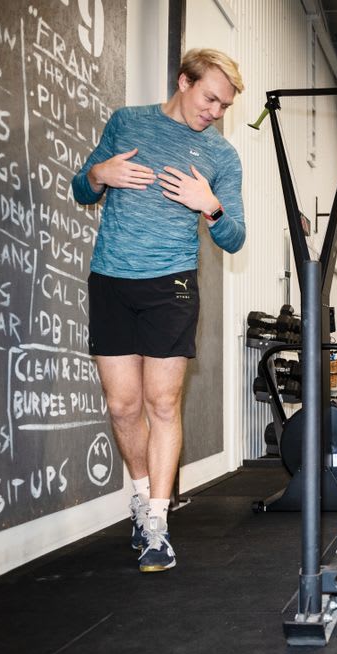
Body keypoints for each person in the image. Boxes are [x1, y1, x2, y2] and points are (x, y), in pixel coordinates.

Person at [72, 49, 246, 572]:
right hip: (111, 281)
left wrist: (209, 205)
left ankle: (158, 525)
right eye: (210, 98)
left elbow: (234, 237)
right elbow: (82, 188)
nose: (215, 112)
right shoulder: (127, 122)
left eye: (224, 105)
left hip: (171, 285)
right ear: (184, 81)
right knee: (124, 407)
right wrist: (99, 174)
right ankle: (142, 498)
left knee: (162, 404)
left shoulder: (222, 156)